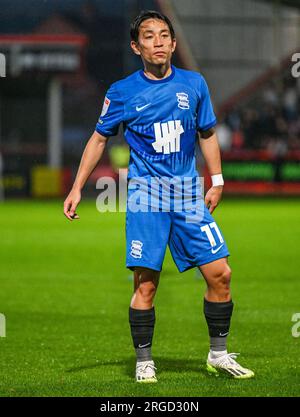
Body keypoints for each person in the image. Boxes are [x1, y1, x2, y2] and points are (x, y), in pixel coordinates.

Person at [64, 10, 254, 383]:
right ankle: (144, 361)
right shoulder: (121, 92)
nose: (159, 42)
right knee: (146, 284)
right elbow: (100, 138)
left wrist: (216, 181)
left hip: (187, 196)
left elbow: (208, 133)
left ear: (174, 43)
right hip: (145, 197)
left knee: (221, 274)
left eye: (165, 35)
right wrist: (76, 187)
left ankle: (218, 355)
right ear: (137, 47)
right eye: (149, 36)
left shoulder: (194, 84)